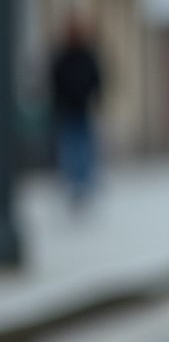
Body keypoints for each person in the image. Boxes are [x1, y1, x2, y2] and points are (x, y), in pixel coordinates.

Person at [49, 18, 103, 206]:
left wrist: (94, 95)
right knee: (73, 146)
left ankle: (82, 182)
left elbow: (96, 78)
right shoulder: (64, 56)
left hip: (80, 108)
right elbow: (55, 80)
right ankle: (75, 182)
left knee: (80, 146)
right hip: (70, 108)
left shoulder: (83, 55)